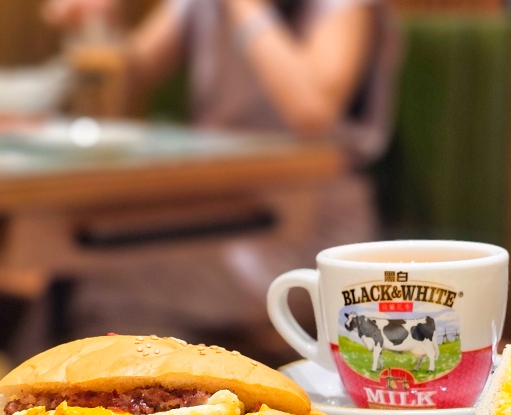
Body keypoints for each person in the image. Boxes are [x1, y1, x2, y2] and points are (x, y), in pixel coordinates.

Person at [41, 0, 398, 349]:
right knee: (80, 265)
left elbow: (312, 112)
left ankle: (126, 398)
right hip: (215, 212)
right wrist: (100, 27)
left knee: (102, 285)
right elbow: (133, 72)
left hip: (308, 222)